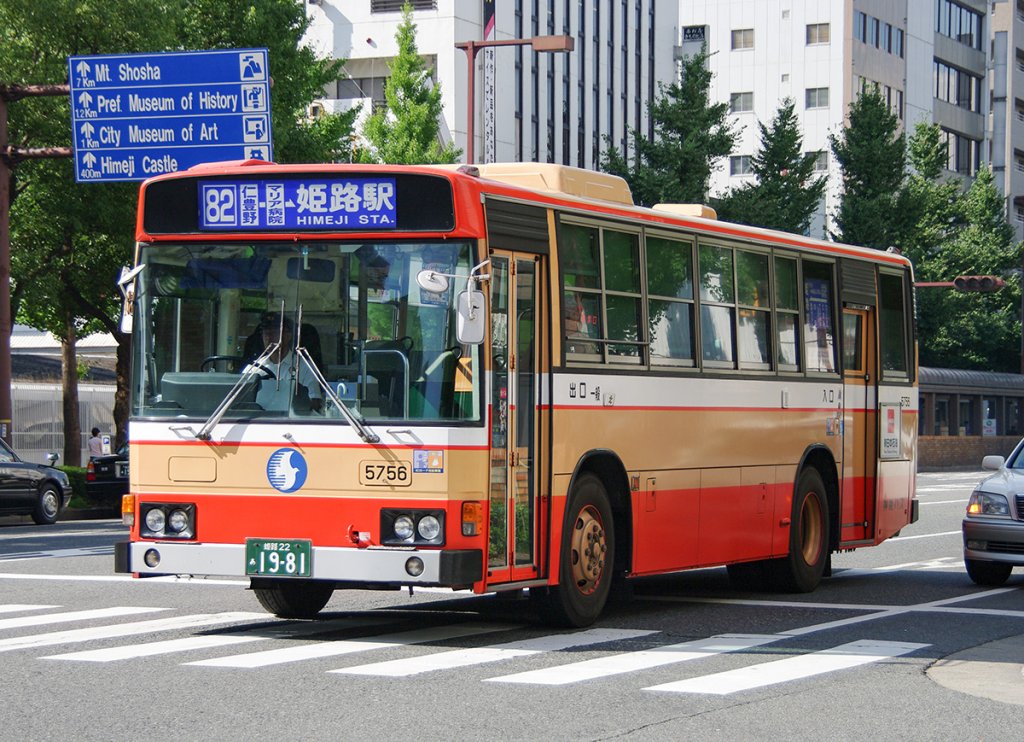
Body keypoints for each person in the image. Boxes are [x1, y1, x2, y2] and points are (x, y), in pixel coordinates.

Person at [247, 314, 322, 413]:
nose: (269, 338)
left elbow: (315, 403)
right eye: (266, 333)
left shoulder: (304, 367)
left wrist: (299, 397)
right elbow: (240, 400)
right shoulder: (254, 368)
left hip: (291, 423)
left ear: (287, 336)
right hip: (259, 422)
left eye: (274, 333)